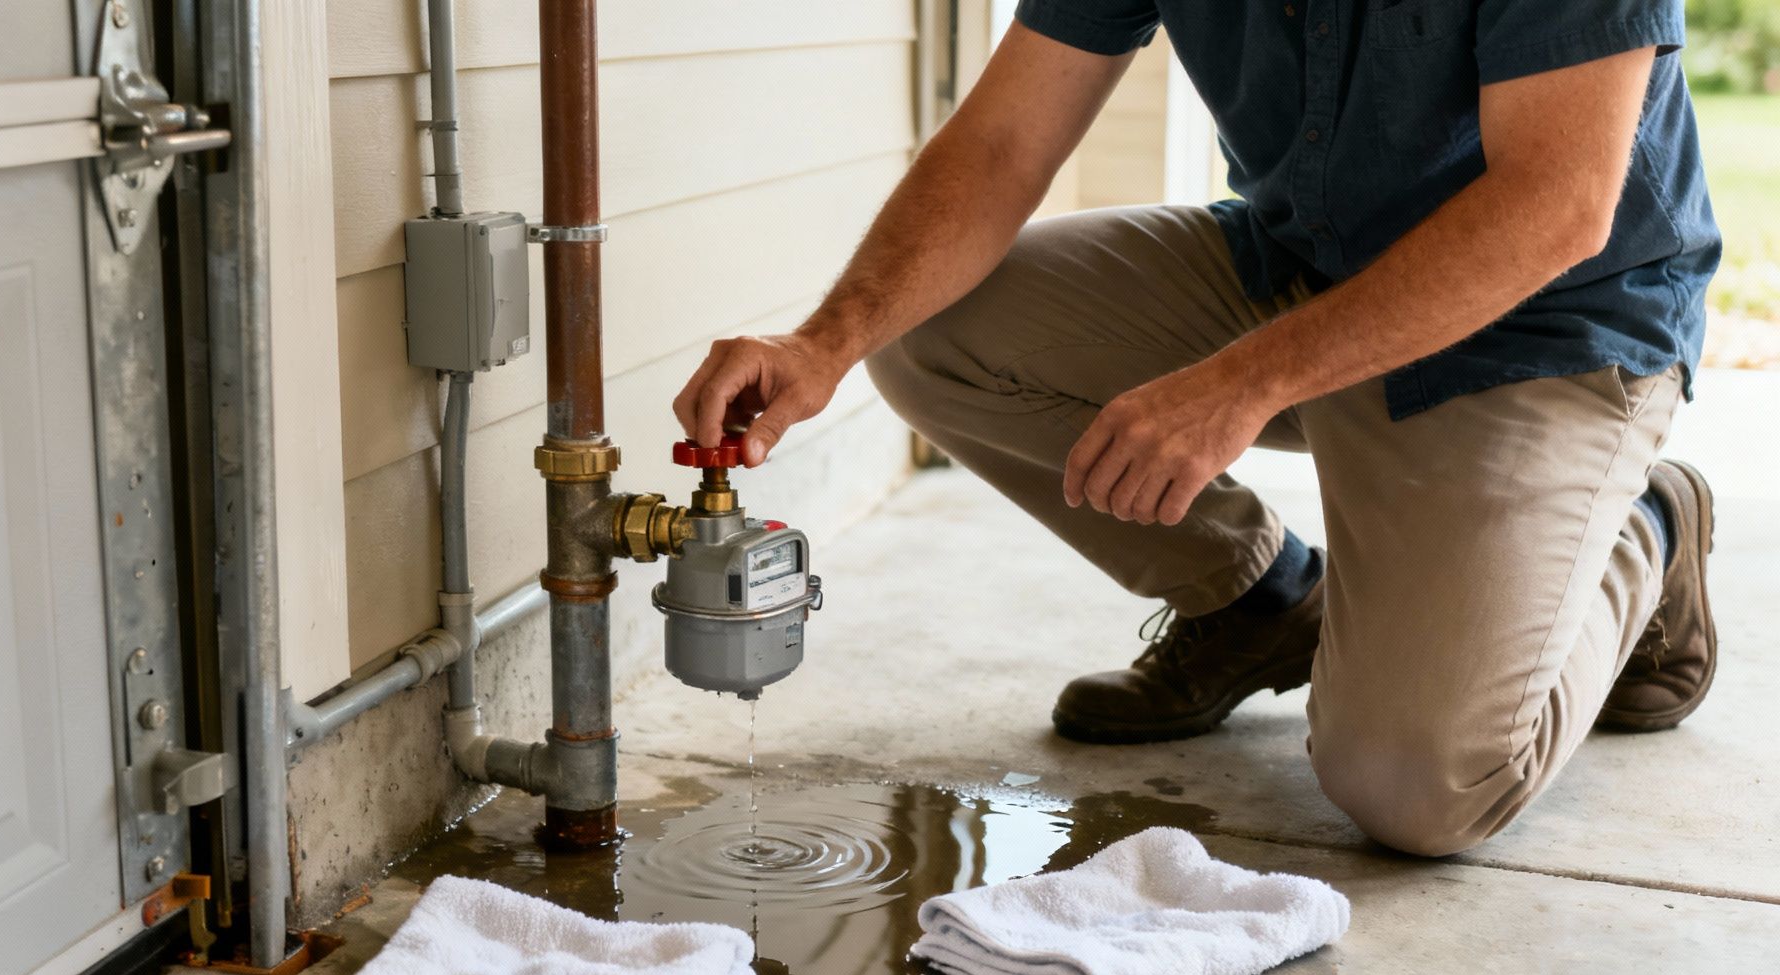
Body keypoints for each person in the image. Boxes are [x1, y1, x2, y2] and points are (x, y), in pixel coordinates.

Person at [671, 1, 1722, 857]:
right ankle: (1257, 596)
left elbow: (1556, 201)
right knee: (925, 333)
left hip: (1540, 327)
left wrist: (1239, 383)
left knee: (1419, 788)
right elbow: (1002, 140)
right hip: (1300, 269)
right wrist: (824, 342)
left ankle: (1644, 529)